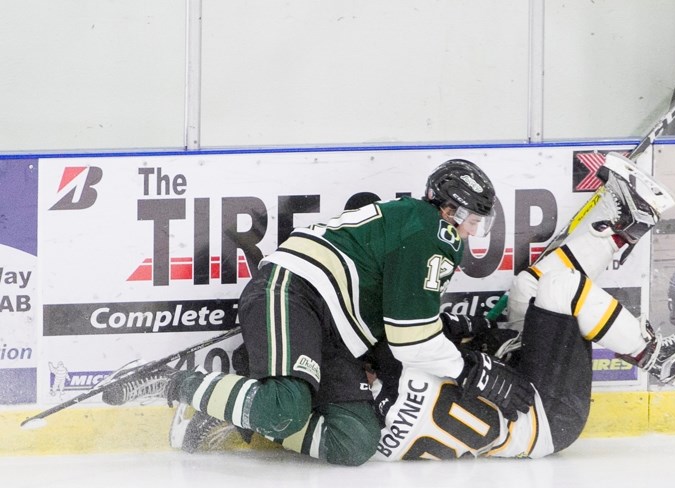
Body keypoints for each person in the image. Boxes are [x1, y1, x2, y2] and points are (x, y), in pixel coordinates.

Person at [101, 158, 538, 466]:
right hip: (296, 293)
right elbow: (410, 340)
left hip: (336, 334)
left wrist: (447, 326)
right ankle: (175, 382)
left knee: (354, 442)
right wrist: (470, 371)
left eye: (480, 219)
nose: (472, 228)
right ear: (446, 207)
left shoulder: (426, 235)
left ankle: (234, 401)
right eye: (468, 216)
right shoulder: (427, 229)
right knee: (285, 408)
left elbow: (403, 322)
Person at [367, 151, 675, 460]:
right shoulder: (381, 386)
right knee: (560, 287)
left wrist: (465, 331)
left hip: (519, 374)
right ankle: (660, 358)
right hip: (544, 412)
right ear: (447, 208)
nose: (472, 233)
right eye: (470, 222)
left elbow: (430, 349)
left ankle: (625, 227)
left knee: (527, 287)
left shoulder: (377, 381)